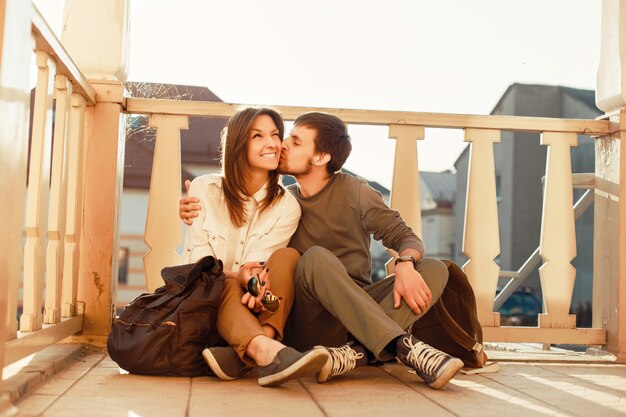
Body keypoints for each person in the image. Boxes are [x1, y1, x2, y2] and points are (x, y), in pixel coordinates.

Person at [181, 112, 463, 390]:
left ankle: (352, 354)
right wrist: (193, 207)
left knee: (435, 269)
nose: (282, 145)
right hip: (309, 317)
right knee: (314, 257)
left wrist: (404, 263)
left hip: (357, 313)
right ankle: (400, 345)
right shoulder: (286, 202)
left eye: (294, 141)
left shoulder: (357, 193)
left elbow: (405, 236)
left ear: (321, 157)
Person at [182, 107, 329, 387]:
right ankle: (268, 351)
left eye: (275, 134)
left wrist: (254, 285)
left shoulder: (287, 206)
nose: (273, 143)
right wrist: (240, 277)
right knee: (220, 280)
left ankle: (256, 346)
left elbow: (256, 270)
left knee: (288, 257)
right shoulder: (204, 190)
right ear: (239, 144)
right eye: (258, 136)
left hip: (252, 302)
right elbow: (200, 268)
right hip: (205, 303)